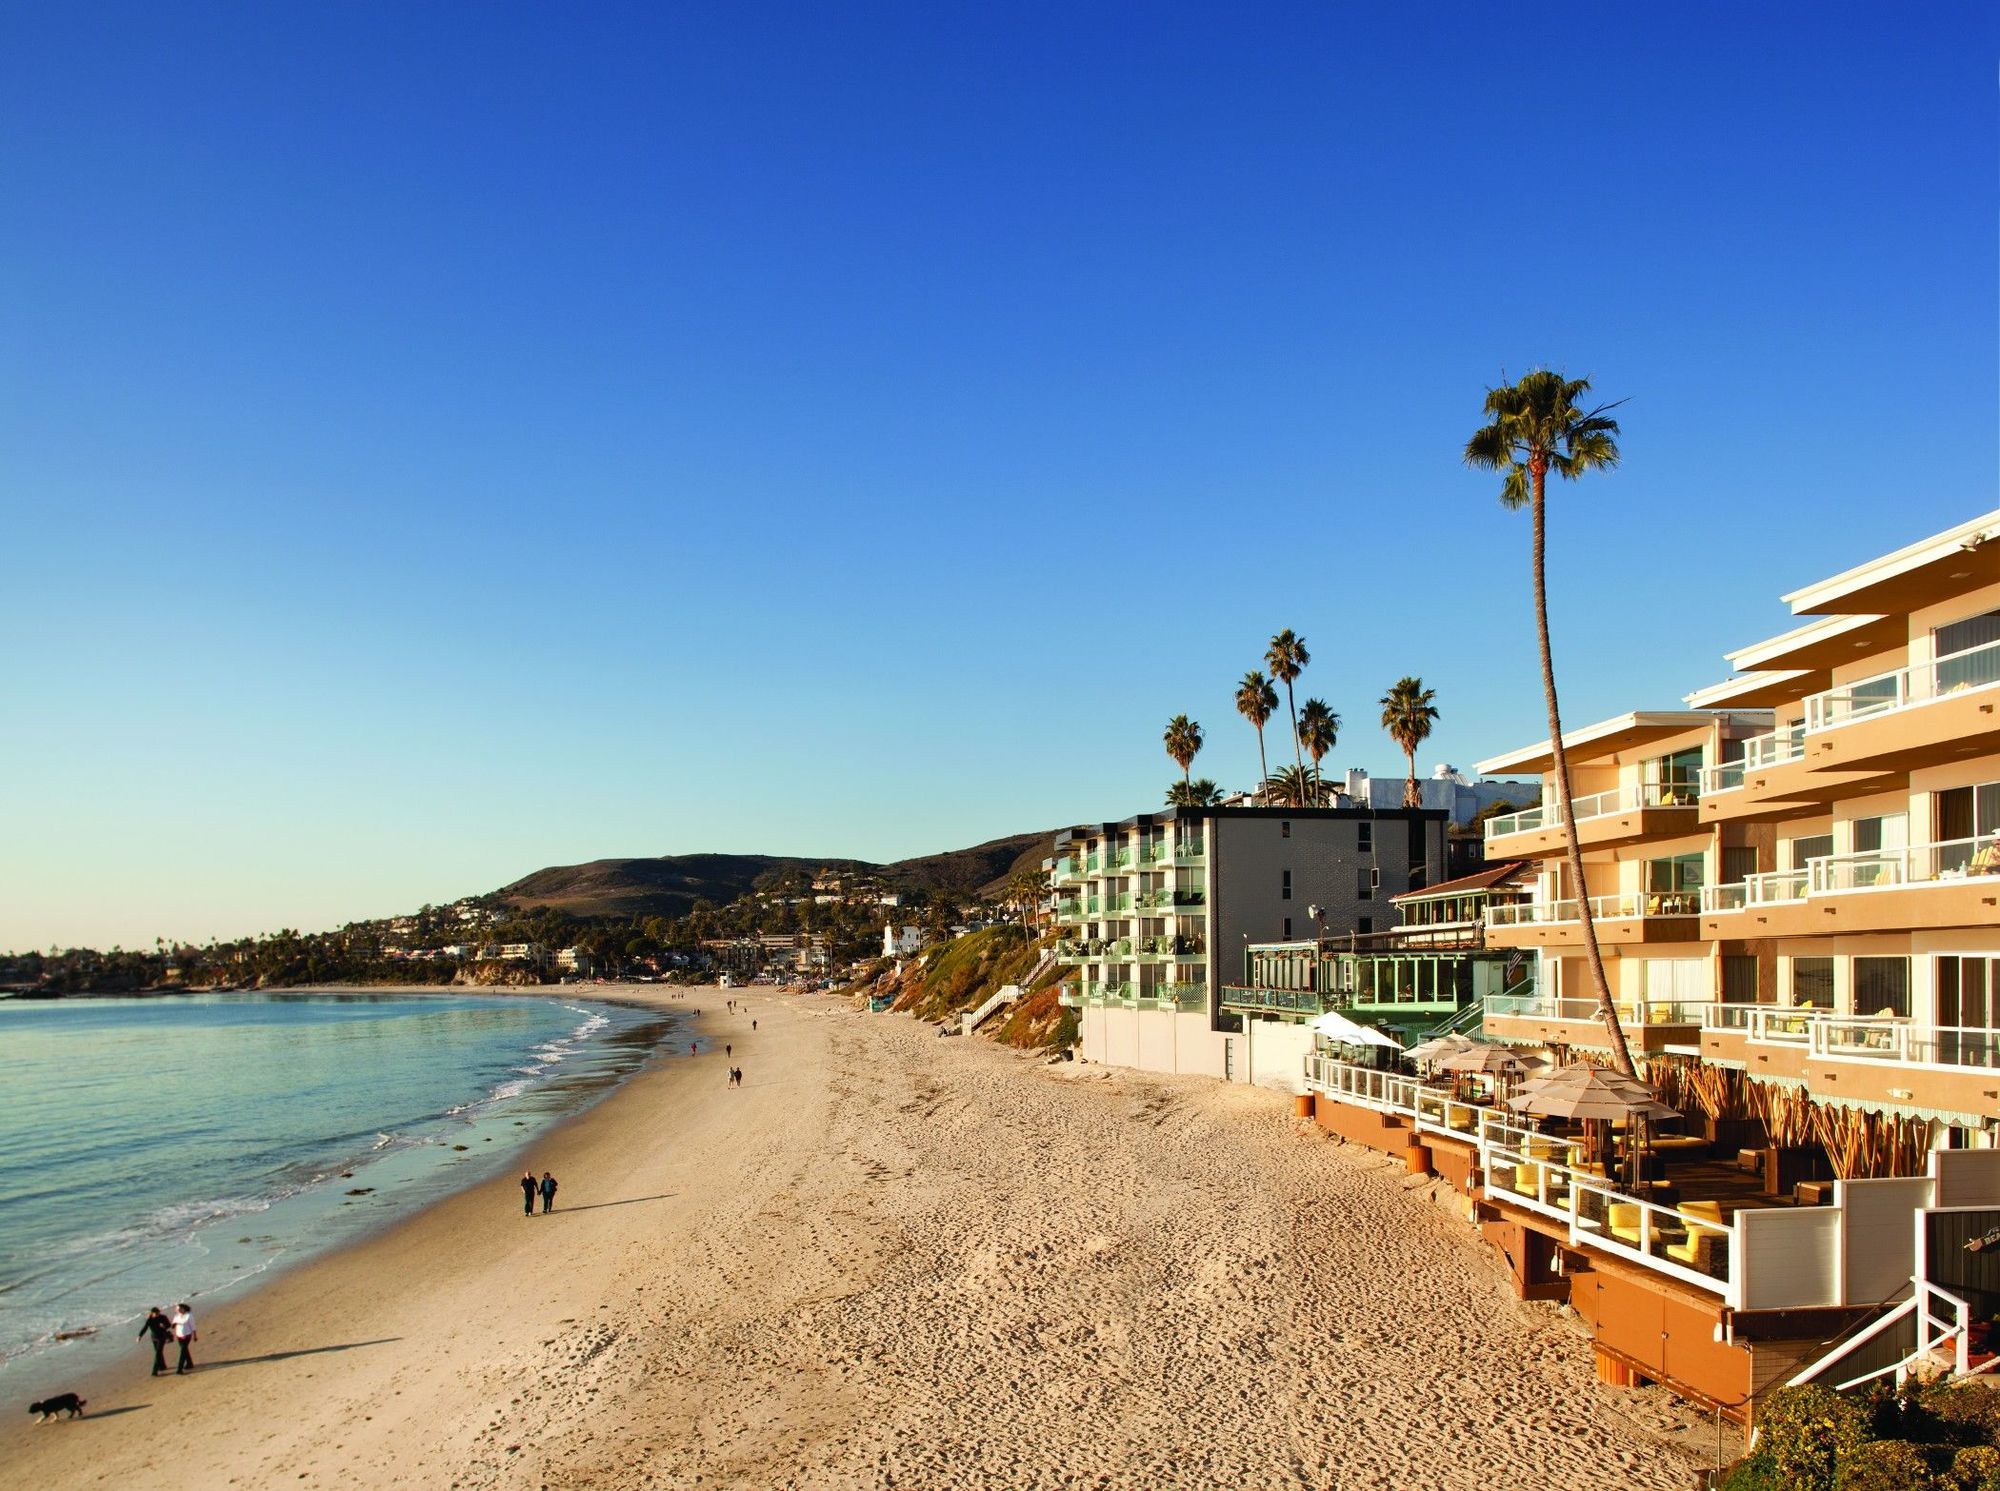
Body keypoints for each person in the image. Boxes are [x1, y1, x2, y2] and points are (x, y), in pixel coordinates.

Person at [139, 1307, 172, 1376]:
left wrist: (164, 1326)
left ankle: (154, 1371)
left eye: (158, 1313)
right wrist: (139, 1336)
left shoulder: (163, 1317)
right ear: (152, 1313)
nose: (157, 1315)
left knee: (158, 1353)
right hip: (154, 1338)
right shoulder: (149, 1319)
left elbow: (169, 1325)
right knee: (158, 1352)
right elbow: (145, 1328)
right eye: (156, 1313)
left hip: (162, 1337)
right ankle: (162, 1366)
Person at [170, 1303, 197, 1374]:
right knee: (184, 1350)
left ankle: (179, 1369)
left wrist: (195, 1336)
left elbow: (193, 1326)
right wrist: (174, 1325)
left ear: (183, 1308)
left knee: (182, 1351)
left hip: (187, 1335)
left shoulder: (189, 1315)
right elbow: (172, 1325)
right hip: (179, 1336)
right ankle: (189, 1364)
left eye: (178, 1309)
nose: (177, 1310)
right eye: (176, 1309)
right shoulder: (176, 1316)